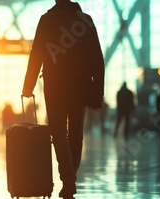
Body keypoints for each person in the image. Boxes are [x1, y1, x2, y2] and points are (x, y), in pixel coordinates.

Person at [21, 0, 105, 197]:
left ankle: (68, 180)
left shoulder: (47, 19)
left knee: (57, 131)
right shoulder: (85, 21)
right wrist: (98, 92)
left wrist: (28, 85)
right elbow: (97, 57)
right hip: (81, 85)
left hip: (55, 86)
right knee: (75, 134)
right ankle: (69, 180)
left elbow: (37, 54)